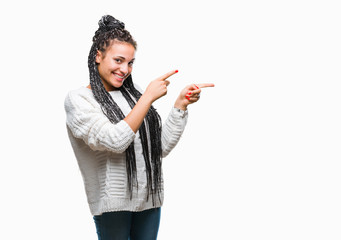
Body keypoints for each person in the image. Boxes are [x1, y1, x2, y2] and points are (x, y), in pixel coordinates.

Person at [64, 15, 214, 240]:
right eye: (118, 60)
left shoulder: (134, 97)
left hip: (149, 200)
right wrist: (147, 99)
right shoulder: (79, 100)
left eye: (130, 62)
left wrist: (180, 104)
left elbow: (159, 148)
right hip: (113, 206)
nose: (125, 69)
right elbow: (114, 141)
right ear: (98, 56)